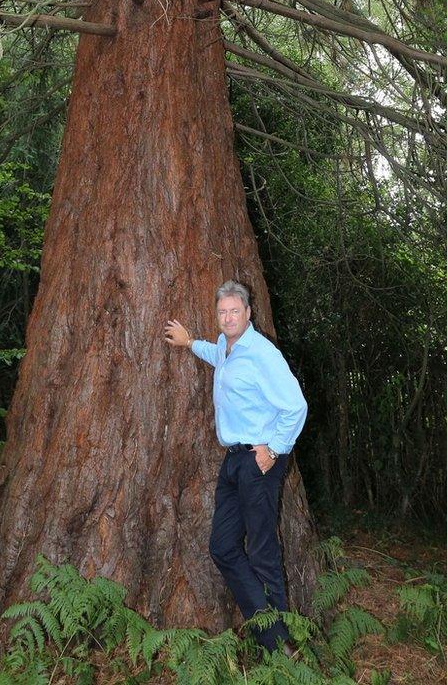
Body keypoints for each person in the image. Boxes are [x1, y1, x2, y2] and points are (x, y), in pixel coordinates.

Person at [164, 280, 308, 653]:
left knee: (262, 551)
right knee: (223, 546)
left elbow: (296, 406)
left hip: (259, 461)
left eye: (234, 311)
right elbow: (217, 355)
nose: (228, 317)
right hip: (233, 462)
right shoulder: (228, 348)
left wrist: (273, 450)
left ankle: (280, 648)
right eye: (222, 312)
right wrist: (189, 342)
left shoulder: (262, 353)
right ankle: (270, 631)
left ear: (248, 313)